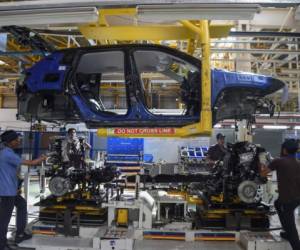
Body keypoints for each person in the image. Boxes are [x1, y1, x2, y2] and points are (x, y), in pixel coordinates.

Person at [0, 130, 46, 250]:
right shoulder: (7, 154)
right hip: (6, 192)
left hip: (10, 189)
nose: (18, 141)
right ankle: (2, 244)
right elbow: (30, 163)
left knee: (22, 204)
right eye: (16, 140)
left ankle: (20, 234)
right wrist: (43, 158)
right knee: (4, 219)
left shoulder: (8, 152)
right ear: (10, 142)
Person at [260, 139, 300, 250]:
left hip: (287, 200)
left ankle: (295, 244)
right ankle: (286, 231)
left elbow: (263, 173)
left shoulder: (279, 161)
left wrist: (261, 164)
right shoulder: (297, 162)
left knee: (291, 227)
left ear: (285, 150)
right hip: (297, 198)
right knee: (277, 203)